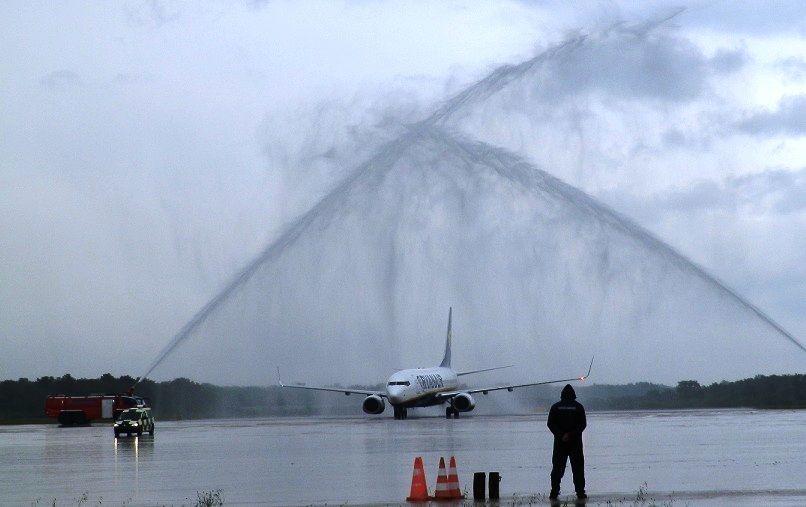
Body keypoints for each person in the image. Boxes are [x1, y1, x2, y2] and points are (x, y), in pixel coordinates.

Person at [547, 384, 587, 500]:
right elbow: (583, 424)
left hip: (560, 443)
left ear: (562, 395)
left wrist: (561, 435)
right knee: (578, 468)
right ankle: (580, 492)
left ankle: (554, 491)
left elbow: (550, 424)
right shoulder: (579, 407)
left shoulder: (555, 407)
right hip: (576, 444)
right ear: (574, 395)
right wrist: (571, 434)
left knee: (557, 468)